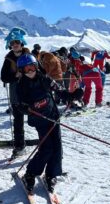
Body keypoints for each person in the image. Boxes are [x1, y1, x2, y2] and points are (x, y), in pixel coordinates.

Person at [15, 54, 83, 193]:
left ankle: (51, 175)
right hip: (39, 119)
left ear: (36, 66)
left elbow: (59, 91)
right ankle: (30, 174)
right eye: (26, 69)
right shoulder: (21, 85)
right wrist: (24, 108)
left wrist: (73, 95)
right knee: (47, 148)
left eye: (32, 67)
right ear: (21, 70)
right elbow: (19, 104)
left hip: (53, 116)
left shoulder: (44, 78)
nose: (30, 71)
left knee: (57, 147)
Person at [0, 28, 30, 158]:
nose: (15, 44)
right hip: (16, 95)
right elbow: (4, 77)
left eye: (17, 41)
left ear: (21, 42)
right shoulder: (8, 60)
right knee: (18, 122)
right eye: (12, 43)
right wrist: (15, 76)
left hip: (31, 93)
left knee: (38, 119)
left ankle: (45, 141)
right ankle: (19, 146)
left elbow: (40, 72)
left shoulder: (29, 56)